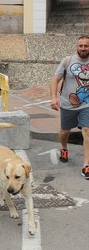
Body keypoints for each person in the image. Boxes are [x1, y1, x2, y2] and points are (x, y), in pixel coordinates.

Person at [50, 35, 89, 180]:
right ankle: (64, 149)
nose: (83, 48)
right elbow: (55, 79)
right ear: (77, 47)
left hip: (87, 104)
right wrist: (54, 98)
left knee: (87, 131)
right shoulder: (67, 61)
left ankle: (86, 165)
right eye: (81, 46)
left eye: (86, 46)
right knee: (64, 132)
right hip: (68, 104)